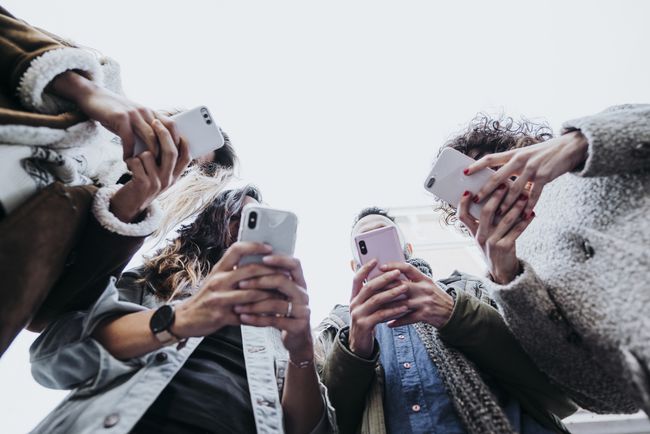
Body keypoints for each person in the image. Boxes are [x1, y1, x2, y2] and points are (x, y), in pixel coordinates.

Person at [0, 6, 236, 355]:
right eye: (176, 142)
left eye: (186, 168)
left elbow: (48, 318)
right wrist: (84, 91)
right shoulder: (97, 76)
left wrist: (130, 205)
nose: (171, 159)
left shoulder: (118, 225)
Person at [29, 186, 336, 434]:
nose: (245, 232)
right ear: (212, 224)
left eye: (255, 222)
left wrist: (301, 354)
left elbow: (310, 429)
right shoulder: (153, 279)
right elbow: (52, 357)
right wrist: (180, 318)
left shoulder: (282, 322)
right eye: (237, 217)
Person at [434, 106, 650, 415]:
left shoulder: (590, 155)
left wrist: (582, 143)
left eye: (487, 165)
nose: (487, 187)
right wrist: (509, 279)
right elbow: (610, 397)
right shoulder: (518, 272)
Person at [317, 207, 576, 434]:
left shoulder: (468, 289)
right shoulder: (338, 328)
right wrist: (355, 349)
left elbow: (553, 383)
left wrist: (455, 313)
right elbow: (331, 422)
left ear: (407, 249)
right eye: (365, 243)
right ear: (355, 266)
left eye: (385, 236)